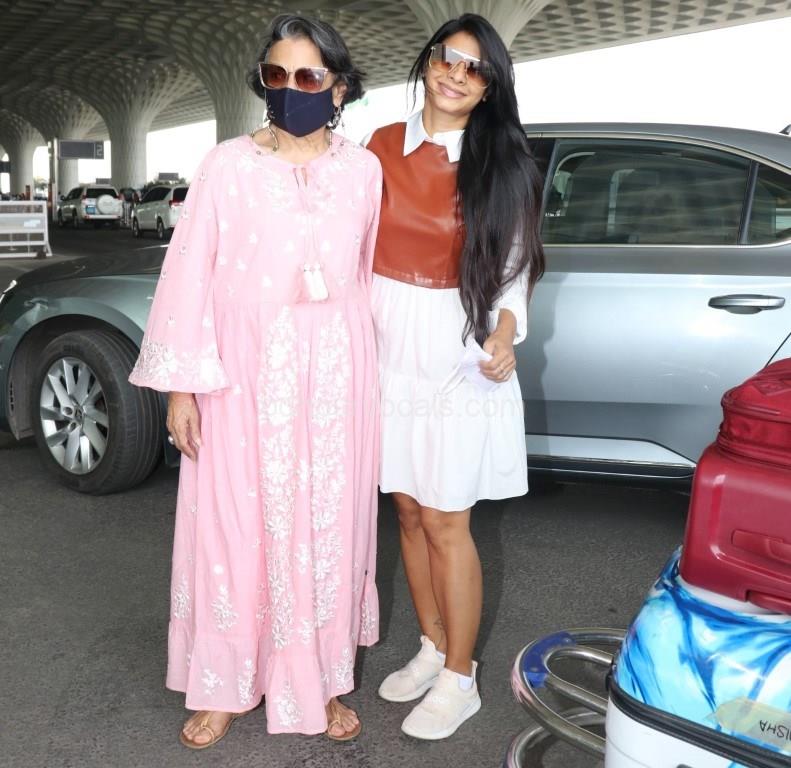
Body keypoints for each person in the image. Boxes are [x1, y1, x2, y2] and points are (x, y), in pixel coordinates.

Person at [129, 13, 382, 748]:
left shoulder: (363, 171)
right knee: (233, 528)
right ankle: (224, 683)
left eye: (309, 75)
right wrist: (181, 387)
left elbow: (368, 276)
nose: (291, 88)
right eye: (276, 74)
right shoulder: (226, 166)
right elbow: (188, 274)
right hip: (240, 377)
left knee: (328, 529)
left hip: (335, 381)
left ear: (339, 88)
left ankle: (320, 680)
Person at [365, 13, 545, 740]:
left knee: (446, 518)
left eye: (475, 68)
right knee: (408, 509)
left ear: (490, 87)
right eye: (448, 57)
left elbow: (515, 270)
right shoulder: (380, 146)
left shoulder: (505, 165)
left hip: (454, 351)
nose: (456, 74)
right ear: (428, 61)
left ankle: (461, 677)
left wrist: (504, 333)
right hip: (385, 346)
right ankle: (432, 646)